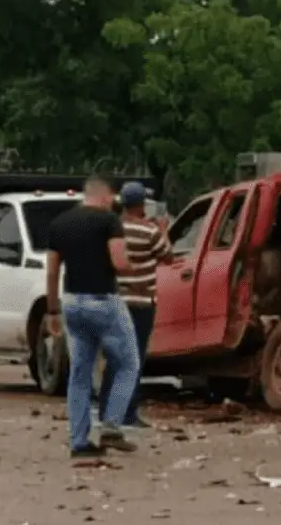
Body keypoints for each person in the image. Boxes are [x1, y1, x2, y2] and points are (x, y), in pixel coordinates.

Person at [45, 175, 140, 458]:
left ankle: (79, 442)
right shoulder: (109, 221)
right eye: (112, 198)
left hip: (72, 302)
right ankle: (111, 426)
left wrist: (52, 310)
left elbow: (52, 272)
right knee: (128, 364)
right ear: (105, 195)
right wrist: (137, 267)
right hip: (103, 301)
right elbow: (119, 262)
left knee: (80, 374)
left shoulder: (59, 224)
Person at [98, 181, 172, 429]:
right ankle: (128, 413)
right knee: (134, 358)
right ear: (141, 204)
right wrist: (163, 230)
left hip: (116, 301)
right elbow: (168, 256)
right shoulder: (149, 231)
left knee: (113, 356)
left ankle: (106, 411)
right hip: (142, 304)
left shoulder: (112, 229)